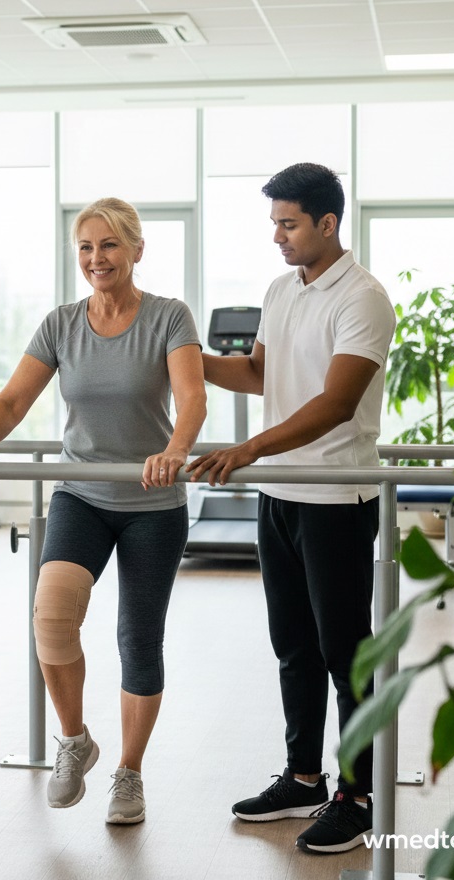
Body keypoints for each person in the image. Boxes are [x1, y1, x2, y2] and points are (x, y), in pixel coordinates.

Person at [0, 198, 206, 826]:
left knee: (137, 640)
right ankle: (74, 740)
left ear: (137, 250)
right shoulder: (62, 323)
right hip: (81, 494)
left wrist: (175, 450)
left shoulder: (170, 317)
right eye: (86, 248)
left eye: (110, 246)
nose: (97, 259)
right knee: (51, 616)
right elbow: (13, 400)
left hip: (152, 502)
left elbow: (192, 396)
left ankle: (130, 773)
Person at [187, 162, 396, 855]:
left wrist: (246, 449)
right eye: (274, 222)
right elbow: (256, 373)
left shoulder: (362, 299)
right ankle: (304, 776)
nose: (276, 236)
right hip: (279, 495)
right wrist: (181, 355)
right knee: (293, 648)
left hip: (336, 496)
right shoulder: (281, 289)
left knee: (345, 653)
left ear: (327, 224)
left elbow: (336, 404)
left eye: (288, 223)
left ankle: (358, 793)